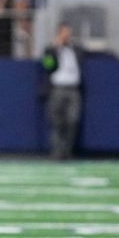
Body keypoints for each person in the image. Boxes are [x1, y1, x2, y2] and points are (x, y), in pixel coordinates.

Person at [41, 23, 83, 160]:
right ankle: (57, 153)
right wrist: (55, 49)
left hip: (73, 90)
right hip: (57, 90)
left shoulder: (75, 49)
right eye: (64, 32)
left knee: (72, 121)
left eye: (68, 32)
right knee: (57, 122)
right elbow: (47, 66)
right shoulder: (50, 49)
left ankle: (67, 152)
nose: (67, 35)